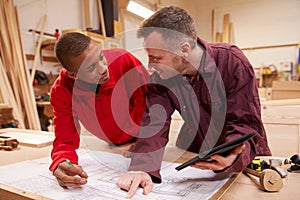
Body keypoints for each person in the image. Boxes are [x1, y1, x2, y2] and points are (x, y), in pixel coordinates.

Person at [116, 6, 271, 198]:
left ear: (184, 50)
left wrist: (232, 156)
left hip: (247, 163)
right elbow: (155, 124)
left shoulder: (231, 62)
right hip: (199, 156)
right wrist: (143, 168)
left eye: (156, 57)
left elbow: (245, 124)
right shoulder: (161, 78)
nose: (150, 65)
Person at [49, 32, 149, 187]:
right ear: (72, 74)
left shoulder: (124, 61)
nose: (103, 69)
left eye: (101, 57)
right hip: (112, 145)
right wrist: (62, 160)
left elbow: (149, 104)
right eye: (91, 68)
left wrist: (144, 140)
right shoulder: (62, 91)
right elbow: (65, 138)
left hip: (141, 137)